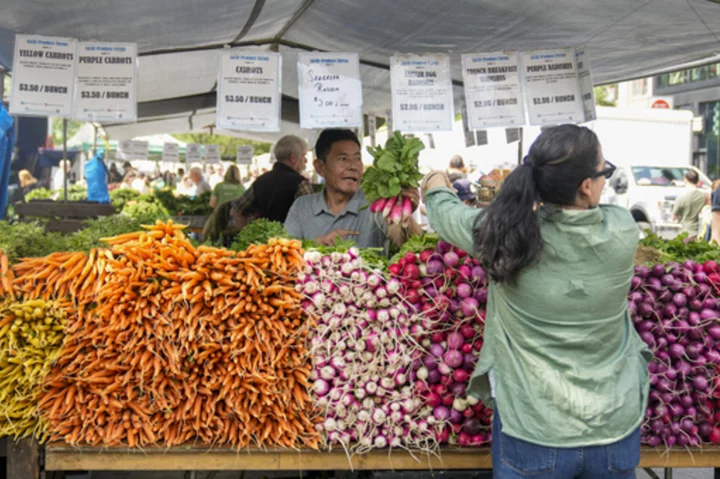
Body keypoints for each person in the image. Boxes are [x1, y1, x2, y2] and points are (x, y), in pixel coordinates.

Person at [422, 125, 649, 478]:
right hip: (612, 429)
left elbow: (445, 214)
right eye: (604, 172)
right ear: (587, 187)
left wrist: (436, 181)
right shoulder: (622, 230)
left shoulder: (506, 234)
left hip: (533, 429)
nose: (605, 180)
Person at [285, 129, 422, 248]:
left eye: (357, 158)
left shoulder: (376, 204)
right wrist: (318, 244)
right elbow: (285, 254)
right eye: (343, 159)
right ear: (320, 167)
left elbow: (407, 244)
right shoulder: (301, 207)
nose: (353, 166)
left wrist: (406, 216)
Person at [230, 135, 313, 227]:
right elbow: (311, 216)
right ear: (293, 158)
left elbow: (236, 211)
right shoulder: (300, 183)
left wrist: (247, 235)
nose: (305, 161)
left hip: (265, 240)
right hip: (292, 240)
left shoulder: (261, 181)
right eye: (304, 155)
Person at [672, 169, 707, 239]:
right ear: (697, 181)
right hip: (701, 231)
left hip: (685, 232)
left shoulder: (681, 197)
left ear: (685, 180)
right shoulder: (704, 196)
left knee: (685, 248)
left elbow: (674, 217)